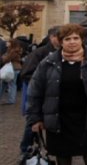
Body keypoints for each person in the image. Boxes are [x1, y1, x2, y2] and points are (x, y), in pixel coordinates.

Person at [26, 23, 87, 165]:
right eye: (67, 39)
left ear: (82, 40)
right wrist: (35, 118)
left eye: (75, 38)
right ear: (61, 42)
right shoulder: (49, 61)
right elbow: (35, 91)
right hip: (57, 115)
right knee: (62, 152)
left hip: (84, 116)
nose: (72, 42)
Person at [19, 25, 61, 158]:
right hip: (41, 96)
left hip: (58, 97)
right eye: (59, 37)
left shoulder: (65, 52)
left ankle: (54, 148)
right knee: (33, 123)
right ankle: (25, 148)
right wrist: (43, 84)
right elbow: (26, 74)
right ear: (52, 37)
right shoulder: (40, 53)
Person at [0, 38, 23, 105]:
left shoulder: (13, 51)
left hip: (12, 68)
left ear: (12, 43)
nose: (6, 43)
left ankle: (11, 100)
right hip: (13, 68)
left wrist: (3, 57)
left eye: (8, 42)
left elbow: (6, 59)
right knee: (5, 84)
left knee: (11, 84)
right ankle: (11, 99)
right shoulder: (12, 50)